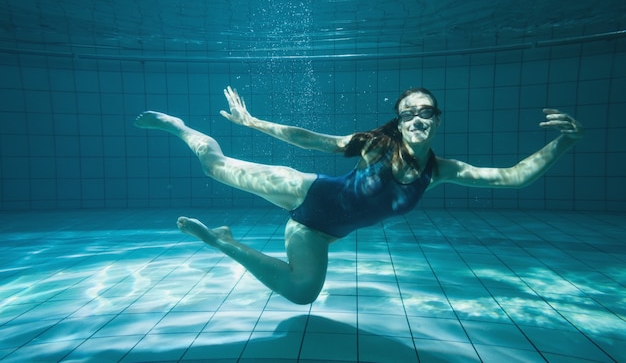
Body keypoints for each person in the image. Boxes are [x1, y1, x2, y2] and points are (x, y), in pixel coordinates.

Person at [134, 86, 584, 304]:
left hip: (317, 231)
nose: (416, 118)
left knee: (303, 293)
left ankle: (223, 242)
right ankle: (179, 127)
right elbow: (310, 139)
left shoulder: (439, 171)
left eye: (425, 111)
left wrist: (563, 143)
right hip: (303, 189)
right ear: (400, 120)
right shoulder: (374, 143)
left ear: (437, 120)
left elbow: (511, 177)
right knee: (214, 167)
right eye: (408, 112)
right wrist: (253, 123)